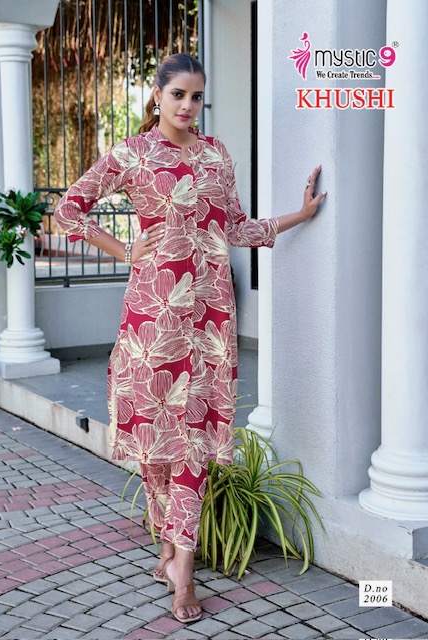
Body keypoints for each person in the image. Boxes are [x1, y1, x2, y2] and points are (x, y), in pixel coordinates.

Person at [54, 52, 326, 624]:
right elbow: (68, 209)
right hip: (152, 320)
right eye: (177, 94)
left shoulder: (216, 155)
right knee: (156, 442)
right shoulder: (132, 153)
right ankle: (169, 546)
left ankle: (183, 566)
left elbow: (235, 228)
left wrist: (299, 217)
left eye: (196, 96)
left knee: (194, 441)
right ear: (157, 95)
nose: (187, 105)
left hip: (210, 321)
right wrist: (123, 250)